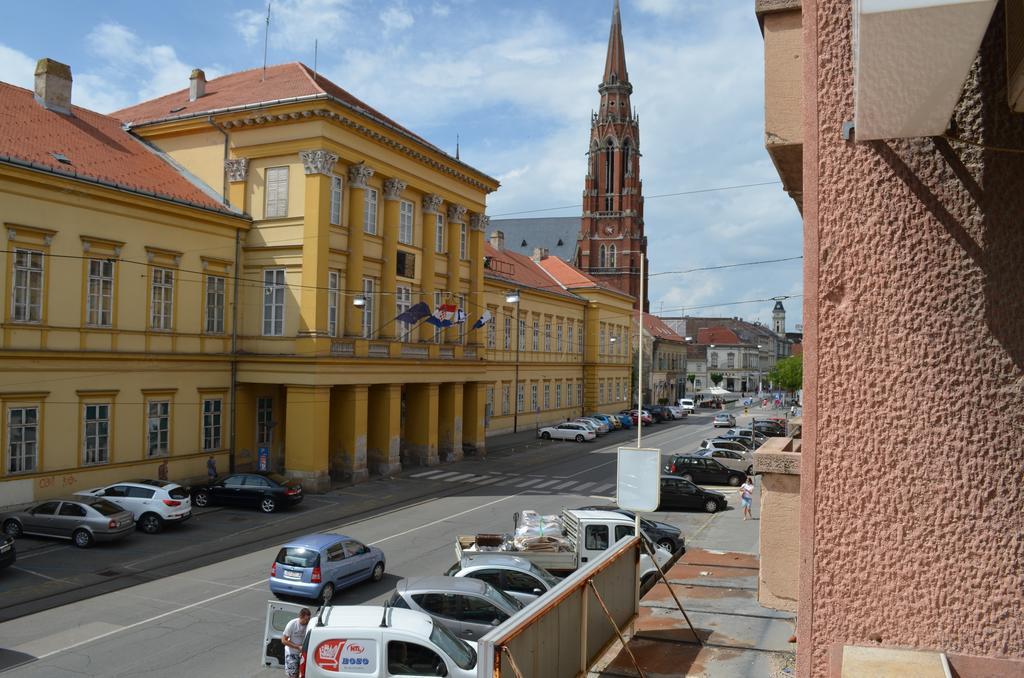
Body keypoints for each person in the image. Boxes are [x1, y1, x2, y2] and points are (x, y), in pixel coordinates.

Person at [282, 607, 311, 678]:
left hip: (303, 653)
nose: (307, 621)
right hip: (291, 653)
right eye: (306, 619)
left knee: (302, 674)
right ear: (301, 617)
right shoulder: (292, 624)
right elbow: (283, 640)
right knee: (293, 675)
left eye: (309, 619)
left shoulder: (309, 625)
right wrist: (297, 647)